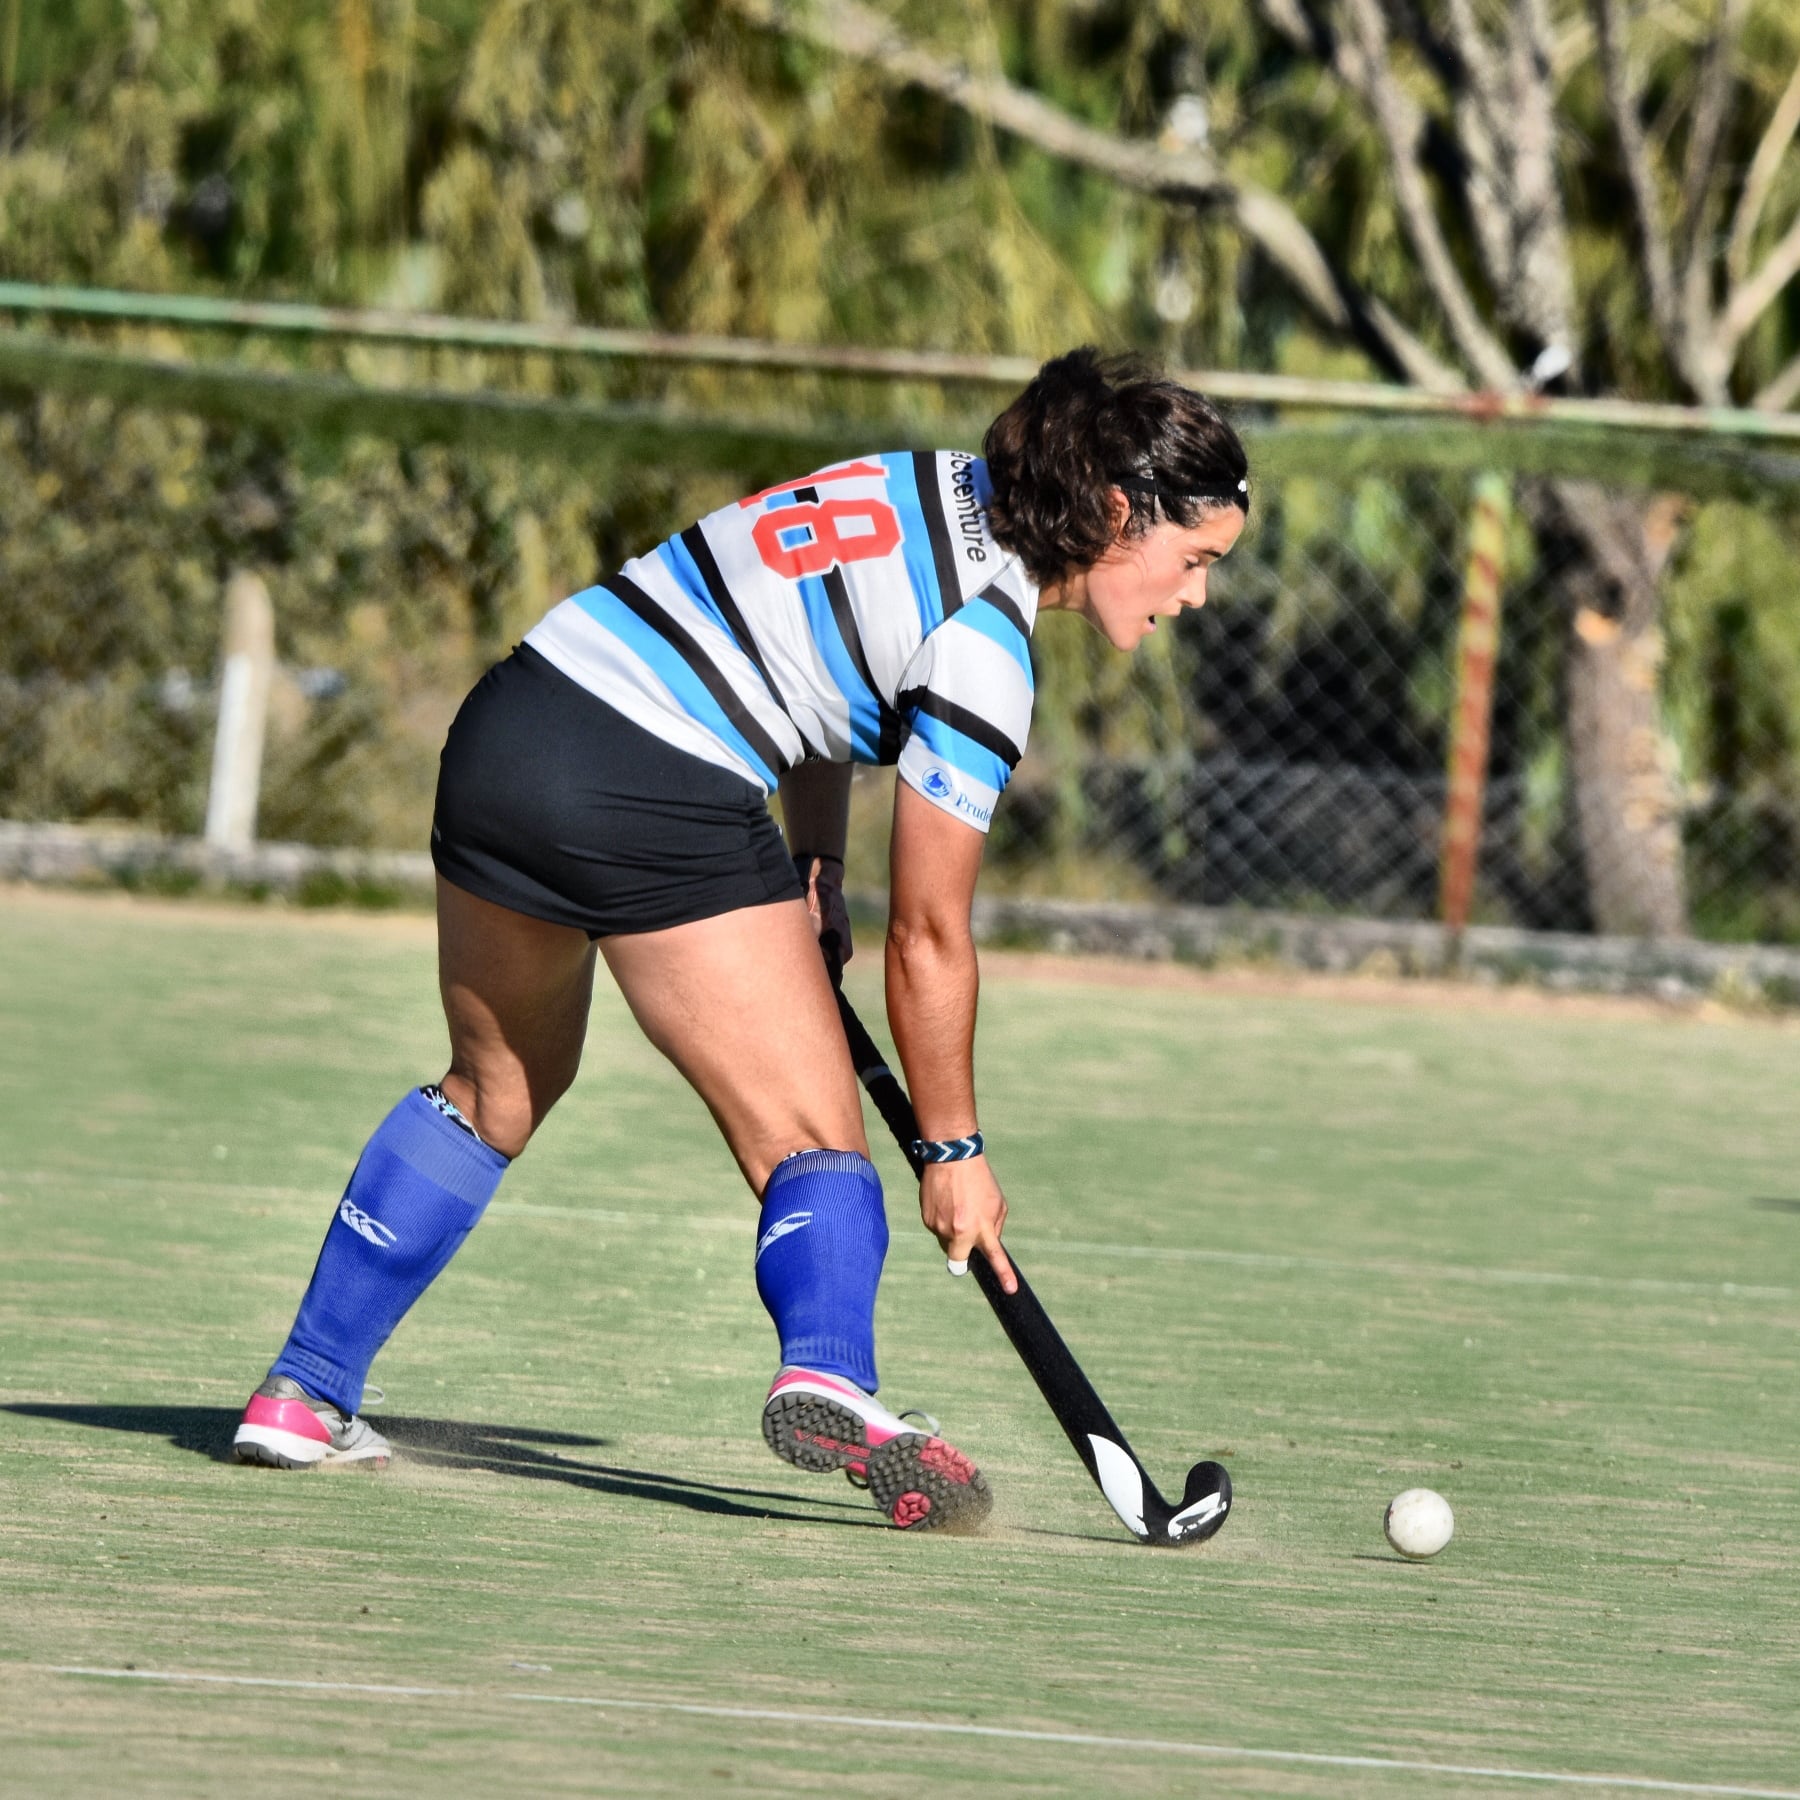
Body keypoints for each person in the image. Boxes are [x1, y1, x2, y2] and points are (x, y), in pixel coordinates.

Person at [231, 346, 1249, 1531]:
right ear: (1118, 514)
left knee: (493, 1090)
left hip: (514, 728)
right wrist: (955, 1148)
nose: (1196, 597)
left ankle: (303, 1392)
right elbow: (930, 936)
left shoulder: (921, 482)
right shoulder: (986, 647)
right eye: (1196, 560)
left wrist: (816, 867)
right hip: (653, 781)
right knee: (815, 1140)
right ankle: (829, 1369)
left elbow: (817, 672)